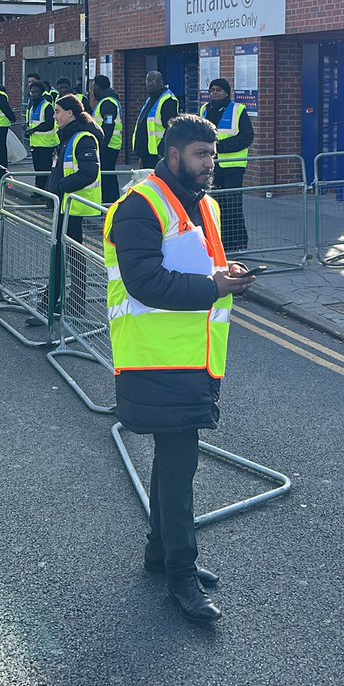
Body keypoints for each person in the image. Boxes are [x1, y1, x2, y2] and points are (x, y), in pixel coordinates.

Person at [104, 114, 255, 623]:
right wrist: (216, 288)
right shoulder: (139, 208)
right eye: (200, 155)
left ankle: (158, 553)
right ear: (173, 156)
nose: (210, 164)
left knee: (172, 461)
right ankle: (181, 575)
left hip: (194, 358)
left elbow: (202, 265)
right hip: (155, 360)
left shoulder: (204, 205)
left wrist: (226, 274)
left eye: (212, 155)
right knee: (180, 466)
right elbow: (146, 282)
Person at [34, 94, 101, 319]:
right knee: (66, 255)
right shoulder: (69, 136)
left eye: (57, 111)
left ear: (70, 113)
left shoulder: (82, 137)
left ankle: (56, 304)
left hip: (72, 207)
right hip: (65, 206)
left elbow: (89, 172)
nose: (55, 116)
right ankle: (63, 302)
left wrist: (62, 186)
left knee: (65, 256)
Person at [201, 78, 255, 251]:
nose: (214, 93)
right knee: (215, 205)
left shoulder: (238, 110)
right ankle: (220, 242)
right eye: (212, 90)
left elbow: (247, 137)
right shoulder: (205, 110)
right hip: (211, 166)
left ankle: (238, 242)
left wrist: (221, 147)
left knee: (233, 205)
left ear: (226, 92)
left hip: (232, 166)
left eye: (218, 90)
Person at [131, 71, 179, 169]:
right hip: (147, 153)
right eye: (148, 81)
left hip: (157, 155)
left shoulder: (168, 100)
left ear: (161, 82)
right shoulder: (150, 100)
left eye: (153, 81)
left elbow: (171, 128)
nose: (150, 84)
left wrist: (162, 151)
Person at [92, 74, 123, 205]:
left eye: (93, 86)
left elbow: (108, 124)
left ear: (98, 87)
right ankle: (110, 202)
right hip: (110, 145)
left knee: (107, 176)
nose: (92, 90)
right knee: (108, 175)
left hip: (108, 146)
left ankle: (110, 203)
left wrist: (102, 144)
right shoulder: (108, 101)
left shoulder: (108, 103)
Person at [26, 78, 59, 191]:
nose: (33, 94)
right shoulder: (31, 107)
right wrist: (27, 129)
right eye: (31, 92)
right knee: (38, 170)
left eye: (35, 92)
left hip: (46, 144)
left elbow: (49, 124)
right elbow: (31, 123)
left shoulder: (47, 106)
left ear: (41, 93)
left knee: (45, 170)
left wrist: (34, 130)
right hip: (35, 143)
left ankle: (46, 192)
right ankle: (38, 190)